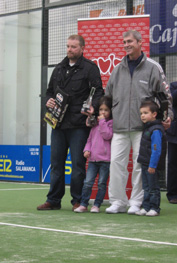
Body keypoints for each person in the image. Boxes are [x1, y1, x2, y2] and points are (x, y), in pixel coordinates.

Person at [105, 29, 173, 214]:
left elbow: (165, 96)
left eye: (130, 41)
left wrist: (167, 116)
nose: (126, 45)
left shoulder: (153, 67)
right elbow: (107, 96)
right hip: (119, 127)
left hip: (143, 128)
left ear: (140, 42)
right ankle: (117, 201)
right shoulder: (118, 69)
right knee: (116, 164)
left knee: (138, 165)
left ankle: (136, 202)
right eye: (124, 42)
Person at [37, 34, 103, 211]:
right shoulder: (58, 68)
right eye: (68, 46)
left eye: (73, 47)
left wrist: (93, 108)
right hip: (57, 124)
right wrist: (48, 100)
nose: (69, 50)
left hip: (79, 125)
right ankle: (53, 200)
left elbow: (98, 93)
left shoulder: (90, 68)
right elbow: (50, 91)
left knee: (78, 166)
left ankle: (77, 201)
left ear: (82, 48)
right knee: (56, 165)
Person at [74, 95, 113, 213]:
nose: (103, 112)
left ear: (110, 111)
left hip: (106, 160)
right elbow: (90, 139)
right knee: (88, 183)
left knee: (101, 183)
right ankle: (84, 204)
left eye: (106, 110)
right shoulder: (95, 124)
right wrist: (87, 149)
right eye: (101, 110)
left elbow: (107, 135)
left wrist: (102, 121)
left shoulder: (110, 123)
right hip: (93, 160)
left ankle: (97, 205)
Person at [136, 99, 167, 216]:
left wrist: (152, 165)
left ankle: (154, 208)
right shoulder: (147, 128)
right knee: (146, 187)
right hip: (145, 163)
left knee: (153, 187)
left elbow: (156, 150)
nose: (142, 116)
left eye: (145, 113)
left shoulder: (156, 130)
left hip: (151, 165)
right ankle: (146, 206)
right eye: (141, 113)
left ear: (154, 114)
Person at [166, 82, 177, 204]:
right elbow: (172, 100)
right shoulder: (173, 86)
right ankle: (173, 194)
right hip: (174, 133)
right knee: (173, 163)